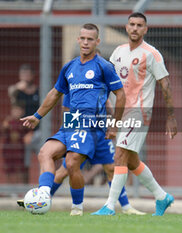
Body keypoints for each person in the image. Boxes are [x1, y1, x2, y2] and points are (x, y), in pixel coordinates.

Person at [20, 23, 126, 216]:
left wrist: (114, 124)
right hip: (71, 123)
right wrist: (37, 116)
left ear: (97, 41)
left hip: (91, 126)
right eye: (83, 38)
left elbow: (121, 95)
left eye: (90, 39)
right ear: (78, 39)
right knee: (45, 152)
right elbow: (55, 93)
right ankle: (43, 195)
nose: (86, 42)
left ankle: (77, 207)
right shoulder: (69, 67)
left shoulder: (104, 66)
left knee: (71, 163)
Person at [92, 12, 177, 216]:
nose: (135, 28)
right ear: (126, 27)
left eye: (140, 25)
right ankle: (162, 196)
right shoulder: (118, 52)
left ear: (145, 29)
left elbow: (165, 83)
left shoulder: (151, 53)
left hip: (139, 112)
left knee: (120, 154)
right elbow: (109, 82)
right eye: (132, 24)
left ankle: (110, 206)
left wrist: (171, 116)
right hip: (120, 112)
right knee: (130, 160)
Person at [17, 93, 145, 215]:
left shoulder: (100, 77)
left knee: (112, 168)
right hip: (81, 134)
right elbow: (65, 110)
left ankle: (126, 207)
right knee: (63, 172)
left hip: (100, 134)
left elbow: (106, 103)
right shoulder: (72, 81)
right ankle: (42, 198)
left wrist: (113, 125)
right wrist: (71, 132)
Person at [8, 64, 41, 182]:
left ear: (32, 75)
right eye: (23, 74)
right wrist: (17, 87)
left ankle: (42, 187)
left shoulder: (38, 91)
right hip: (22, 132)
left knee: (43, 159)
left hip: (38, 131)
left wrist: (32, 132)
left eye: (28, 74)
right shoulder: (17, 92)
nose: (26, 77)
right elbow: (10, 95)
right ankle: (25, 188)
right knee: (24, 164)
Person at [2, 102, 31, 183]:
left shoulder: (24, 122)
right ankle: (9, 189)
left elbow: (30, 132)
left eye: (18, 110)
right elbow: (1, 132)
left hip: (20, 150)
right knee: (8, 170)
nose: (16, 112)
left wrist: (29, 135)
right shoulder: (8, 121)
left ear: (22, 112)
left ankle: (18, 190)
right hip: (8, 150)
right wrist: (4, 126)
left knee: (19, 170)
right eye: (14, 110)